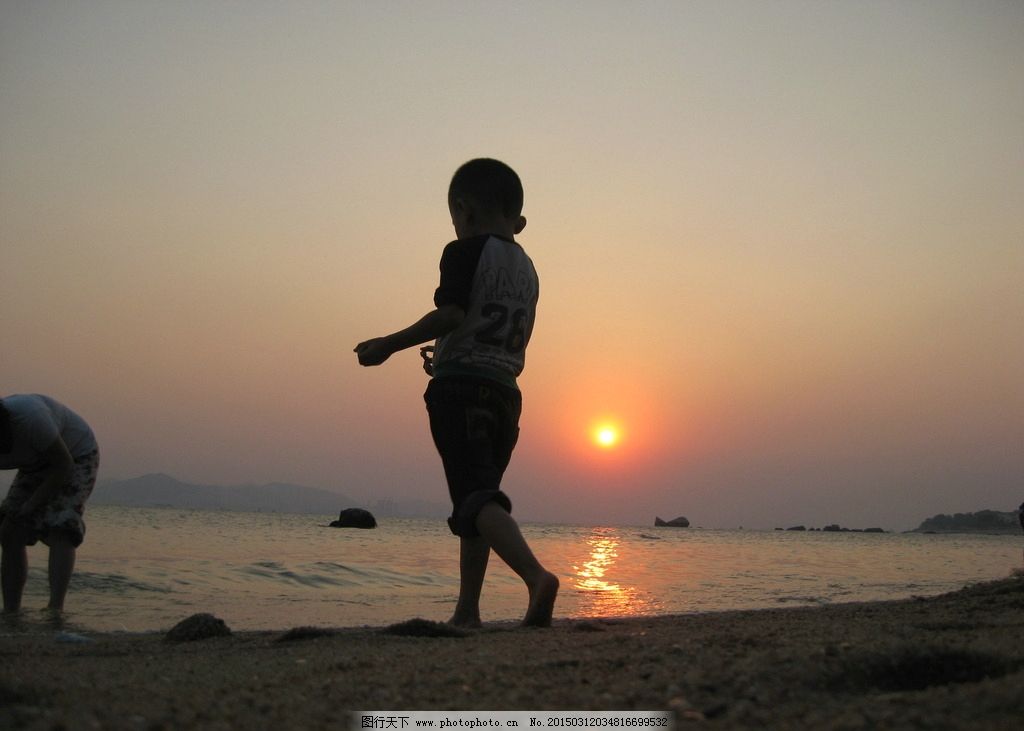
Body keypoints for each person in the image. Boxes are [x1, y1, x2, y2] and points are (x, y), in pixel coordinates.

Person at [355, 158, 558, 628]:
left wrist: (388, 344)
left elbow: (451, 314)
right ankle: (467, 611)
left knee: (475, 498)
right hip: (507, 394)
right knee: (479, 501)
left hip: (460, 392)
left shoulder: (462, 251)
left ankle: (536, 577)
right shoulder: (528, 268)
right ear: (519, 222)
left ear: (462, 212)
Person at [0, 394, 99, 615]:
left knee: (61, 527)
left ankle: (55, 609)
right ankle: (11, 612)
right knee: (9, 530)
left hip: (74, 455)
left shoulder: (30, 417)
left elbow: (63, 465)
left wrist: (31, 505)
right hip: (34, 464)